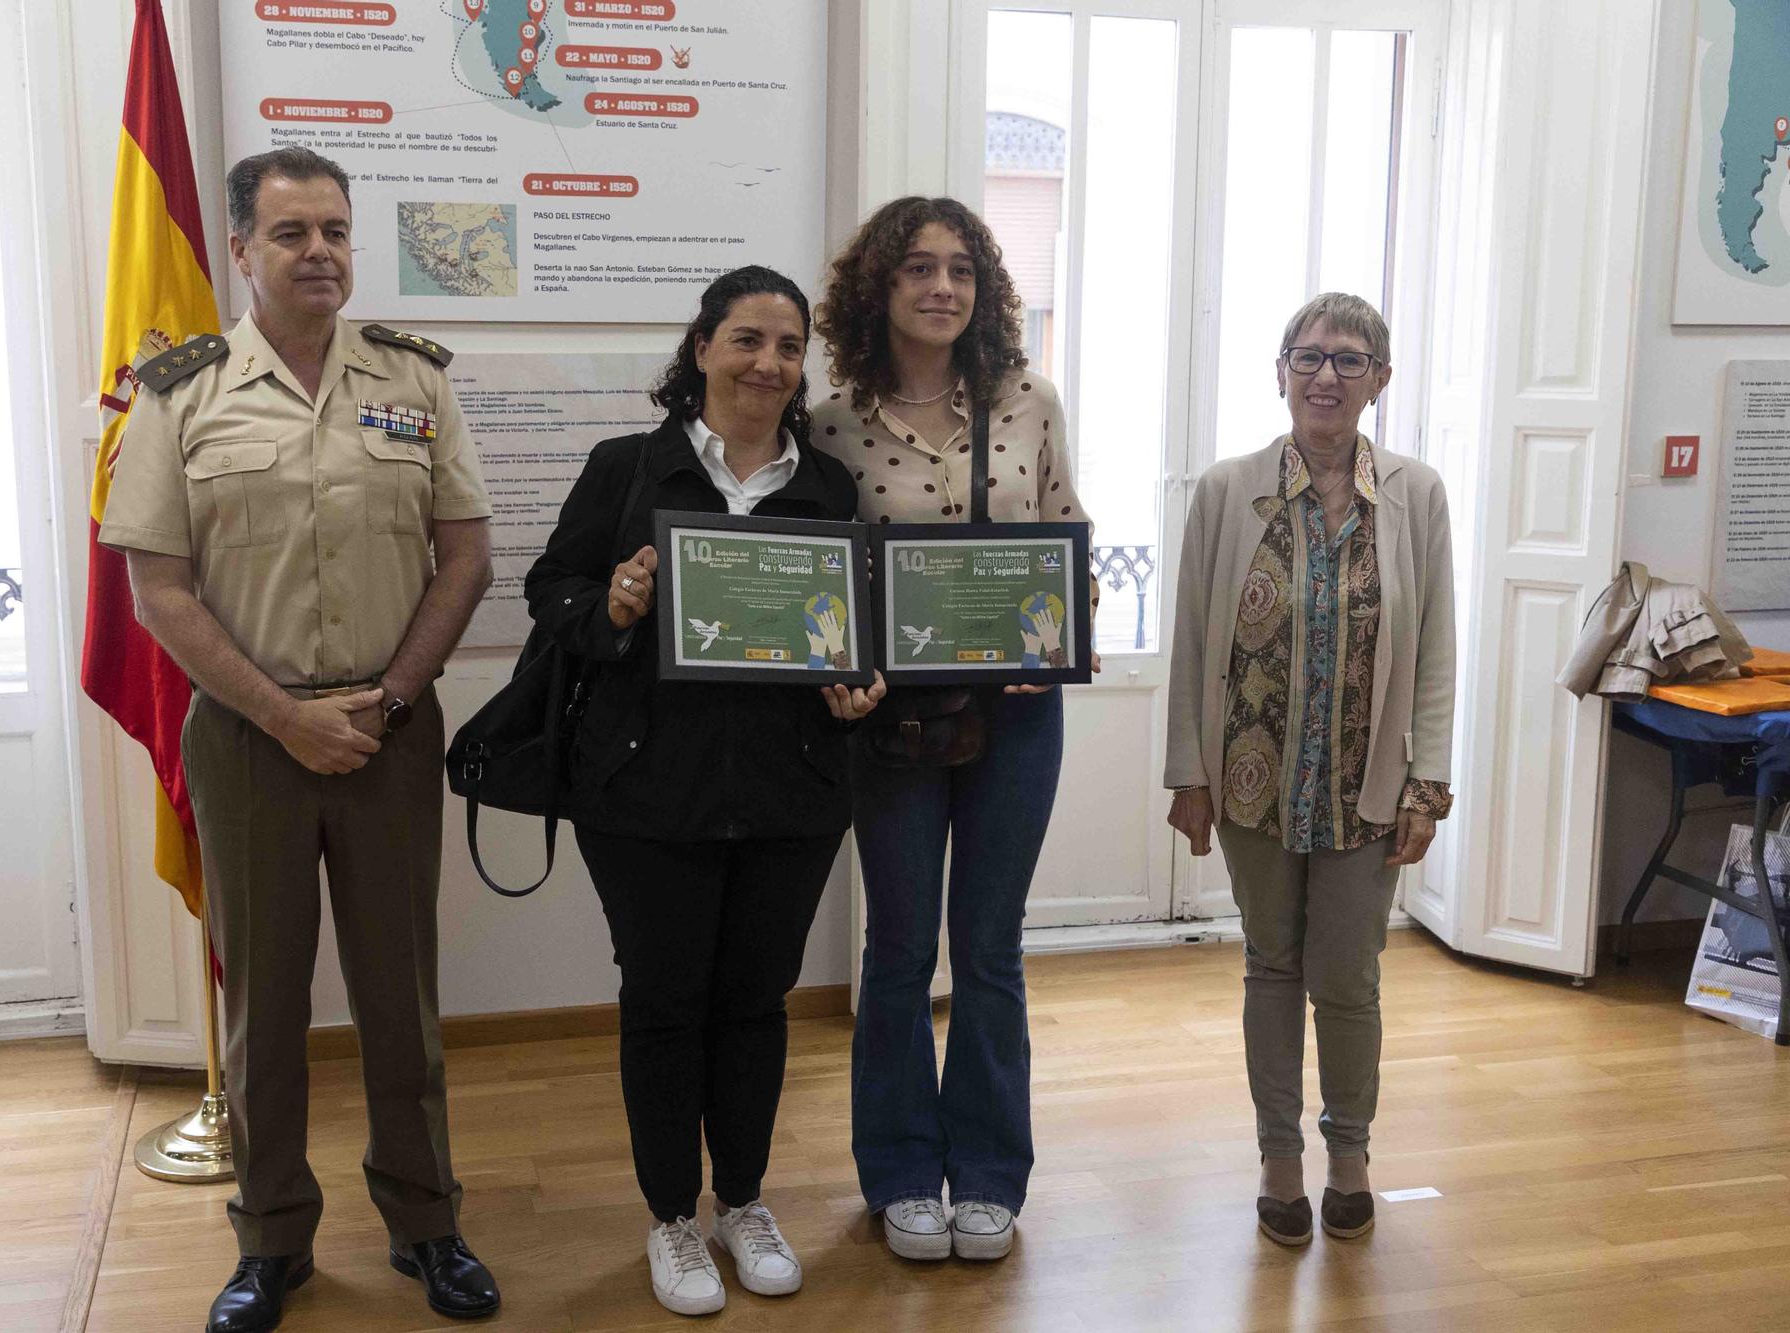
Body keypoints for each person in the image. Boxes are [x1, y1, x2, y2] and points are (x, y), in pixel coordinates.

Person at [100, 147, 500, 1331]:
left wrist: (380, 705)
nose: (319, 250)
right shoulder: (181, 391)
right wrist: (285, 716)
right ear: (239, 249)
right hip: (250, 737)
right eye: (291, 233)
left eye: (334, 229)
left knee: (401, 992)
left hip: (386, 725)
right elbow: (158, 592)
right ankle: (271, 1239)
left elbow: (465, 555)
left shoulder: (414, 380)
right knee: (263, 1004)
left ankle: (426, 1222)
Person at [524, 266, 883, 1317]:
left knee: (754, 1001)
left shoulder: (825, 487)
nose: (766, 363)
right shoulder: (624, 469)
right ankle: (670, 1218)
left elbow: (850, 630)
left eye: (786, 345)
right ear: (700, 350)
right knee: (665, 1002)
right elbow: (553, 591)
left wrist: (858, 684)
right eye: (744, 339)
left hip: (791, 790)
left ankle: (743, 1200)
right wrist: (617, 605)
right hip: (645, 790)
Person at [811, 197, 1096, 1263]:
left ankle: (986, 1172)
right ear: (877, 290)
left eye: (961, 271)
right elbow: (825, 580)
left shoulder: (1027, 400)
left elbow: (1067, 530)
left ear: (983, 292)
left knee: (986, 947)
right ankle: (895, 1173)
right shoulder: (831, 423)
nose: (941, 288)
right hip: (890, 726)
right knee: (894, 950)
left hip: (1018, 717)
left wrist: (1061, 632)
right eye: (918, 269)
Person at [1164, 292, 1455, 1247]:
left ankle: (1352, 1151)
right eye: (1309, 356)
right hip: (1250, 778)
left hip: (1364, 788)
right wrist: (1189, 773)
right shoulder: (1225, 488)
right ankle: (1279, 1155)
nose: (1326, 375)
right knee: (1270, 964)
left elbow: (1437, 649)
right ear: (1280, 370)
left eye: (1350, 359)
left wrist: (1429, 780)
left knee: (1349, 976)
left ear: (1380, 380)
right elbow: (1195, 639)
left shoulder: (1416, 494)